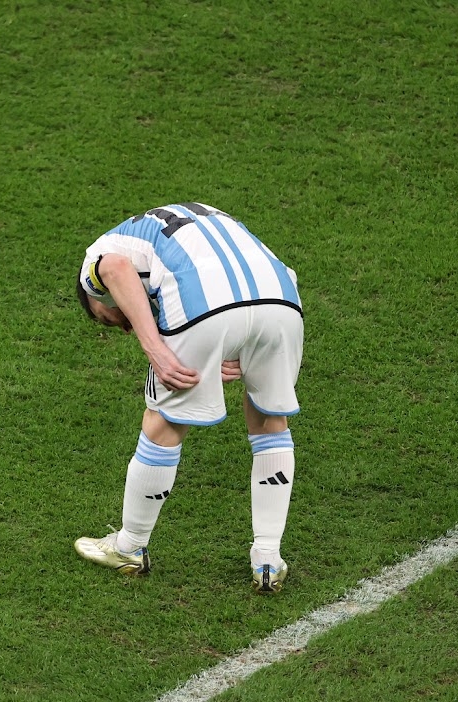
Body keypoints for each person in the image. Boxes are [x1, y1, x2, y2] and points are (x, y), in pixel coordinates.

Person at [73, 203, 304, 593]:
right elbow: (279, 273)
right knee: (269, 420)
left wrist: (155, 348)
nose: (123, 323)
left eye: (112, 317)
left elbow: (115, 269)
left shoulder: (98, 255)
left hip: (204, 306)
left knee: (163, 422)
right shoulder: (202, 220)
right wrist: (236, 344)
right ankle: (268, 559)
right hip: (282, 302)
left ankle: (129, 547)